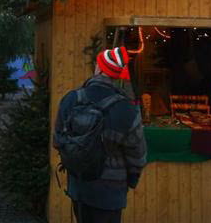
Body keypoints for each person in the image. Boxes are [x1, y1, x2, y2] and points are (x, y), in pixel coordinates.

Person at [54, 47, 147, 223]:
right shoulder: (128, 109)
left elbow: (58, 140)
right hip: (111, 193)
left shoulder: (72, 99)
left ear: (99, 68)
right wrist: (131, 181)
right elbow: (137, 155)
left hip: (79, 186)